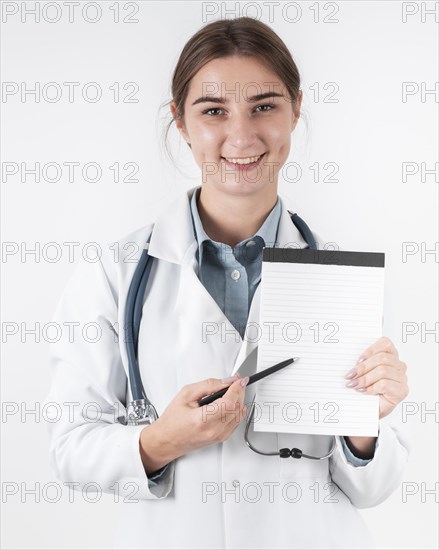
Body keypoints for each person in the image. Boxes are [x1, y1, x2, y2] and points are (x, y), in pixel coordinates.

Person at [44, 17, 410, 550]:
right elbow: (71, 446)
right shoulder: (115, 271)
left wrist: (364, 426)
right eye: (213, 111)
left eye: (264, 106)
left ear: (295, 111)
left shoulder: (341, 277)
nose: (240, 136)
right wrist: (159, 441)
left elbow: (374, 487)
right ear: (181, 122)